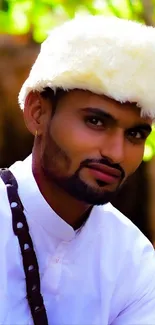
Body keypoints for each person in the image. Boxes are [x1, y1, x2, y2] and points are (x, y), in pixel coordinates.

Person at [0, 15, 155, 325]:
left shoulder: (133, 260)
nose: (116, 153)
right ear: (37, 113)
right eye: (96, 121)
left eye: (135, 134)